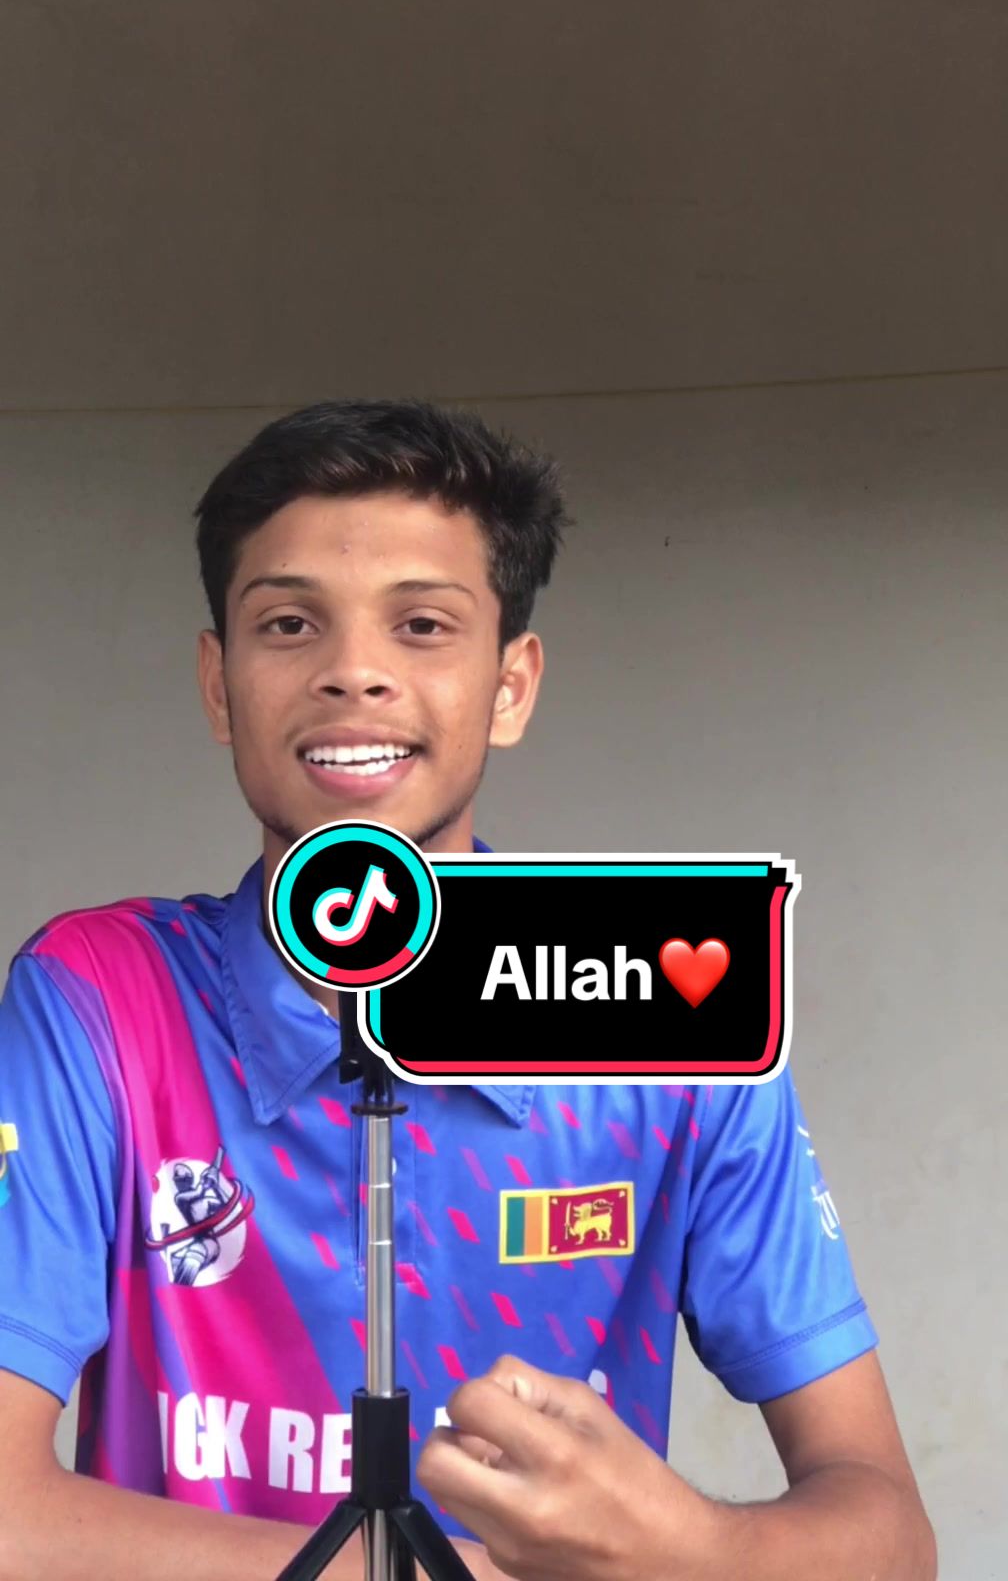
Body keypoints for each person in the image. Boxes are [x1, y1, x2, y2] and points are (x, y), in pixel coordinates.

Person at [0, 397, 936, 1581]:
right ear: (219, 684)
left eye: (423, 626)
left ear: (511, 685)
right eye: (288, 623)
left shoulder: (669, 1009)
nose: (354, 673)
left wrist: (692, 1551)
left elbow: (890, 1540)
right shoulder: (96, 998)